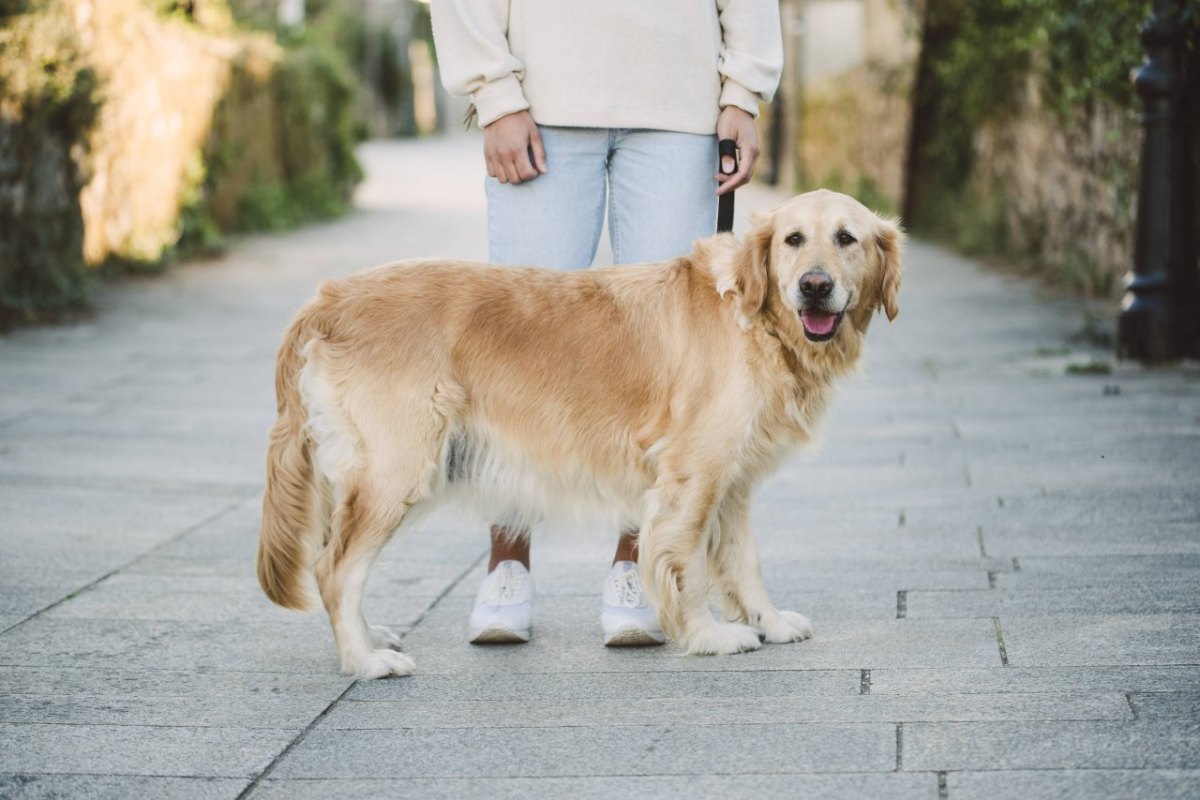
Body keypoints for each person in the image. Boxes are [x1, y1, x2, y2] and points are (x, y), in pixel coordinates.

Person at [430, 0, 783, 647]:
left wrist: (744, 90)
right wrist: (495, 91)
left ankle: (635, 567)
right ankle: (508, 562)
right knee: (518, 349)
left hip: (681, 106)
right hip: (538, 98)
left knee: (668, 363)